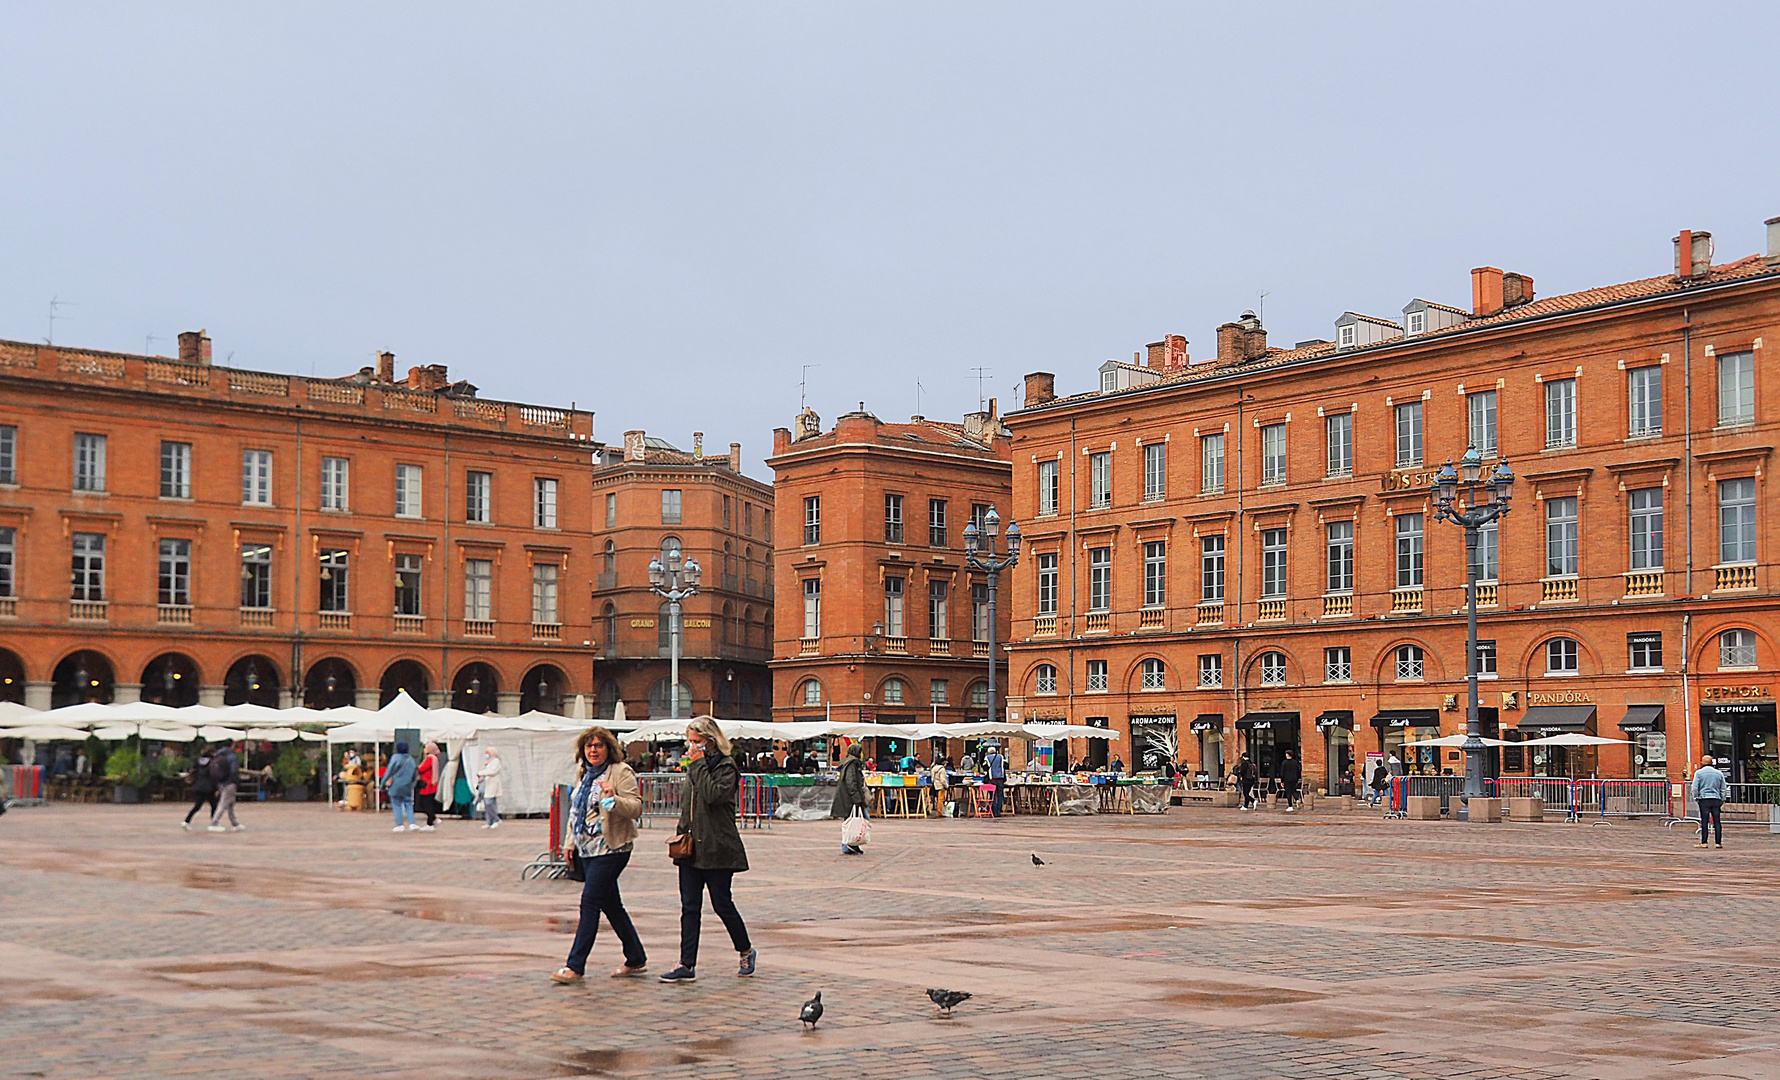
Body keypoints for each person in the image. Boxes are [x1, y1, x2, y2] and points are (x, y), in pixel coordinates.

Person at [661, 716, 754, 983]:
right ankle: (686, 963)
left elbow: (714, 795)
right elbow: (688, 805)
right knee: (689, 906)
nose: (691, 747)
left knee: (722, 903)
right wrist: (681, 832)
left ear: (711, 741)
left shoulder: (726, 767)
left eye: (697, 741)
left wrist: (698, 764)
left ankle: (745, 950)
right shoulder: (693, 768)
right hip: (690, 847)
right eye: (689, 741)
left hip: (718, 846)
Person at [552, 726, 648, 982]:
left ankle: (575, 965)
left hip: (612, 848)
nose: (593, 750)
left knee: (589, 903)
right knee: (612, 906)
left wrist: (613, 799)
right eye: (589, 746)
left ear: (609, 748)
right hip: (586, 849)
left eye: (598, 746)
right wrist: (569, 843)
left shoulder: (620, 772)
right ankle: (636, 956)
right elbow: (577, 813)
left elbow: (636, 807)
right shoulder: (583, 773)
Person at [831, 743, 868, 853]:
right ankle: (847, 846)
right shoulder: (851, 764)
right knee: (854, 822)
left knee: (854, 821)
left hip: (849, 797)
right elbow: (851, 782)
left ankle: (852, 845)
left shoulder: (849, 763)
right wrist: (856, 799)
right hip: (850, 798)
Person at [1691, 754, 1728, 849]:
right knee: (1717, 821)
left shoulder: (1699, 773)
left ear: (1702, 762)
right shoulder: (1718, 773)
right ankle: (1718, 842)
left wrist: (1696, 797)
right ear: (1712, 762)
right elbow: (1723, 787)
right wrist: (1722, 799)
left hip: (1704, 799)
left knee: (1704, 821)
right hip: (1716, 798)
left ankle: (1704, 842)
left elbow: (1695, 787)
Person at [381, 741, 418, 832]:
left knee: (396, 804)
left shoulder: (395, 758)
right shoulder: (411, 759)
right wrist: (412, 782)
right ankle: (412, 823)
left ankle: (399, 824)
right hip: (408, 785)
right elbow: (414, 773)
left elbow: (389, 771)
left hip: (396, 785)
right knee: (408, 804)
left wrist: (382, 783)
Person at [181, 745, 219, 831]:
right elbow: (213, 775)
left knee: (197, 806)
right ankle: (214, 823)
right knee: (214, 805)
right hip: (209, 786)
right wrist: (216, 788)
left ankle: (187, 821)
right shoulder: (212, 762)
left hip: (198, 786)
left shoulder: (198, 761)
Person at [208, 742, 243, 832]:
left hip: (220, 782)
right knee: (223, 803)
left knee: (230, 803)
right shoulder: (232, 756)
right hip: (229, 783)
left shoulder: (218, 755)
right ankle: (214, 823)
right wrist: (235, 781)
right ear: (232, 745)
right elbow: (234, 770)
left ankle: (234, 822)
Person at [414, 742, 442, 831]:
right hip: (431, 783)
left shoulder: (430, 758)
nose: (424, 750)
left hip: (427, 784)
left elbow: (421, 769)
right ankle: (433, 818)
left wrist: (417, 768)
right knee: (428, 802)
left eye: (426, 748)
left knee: (425, 803)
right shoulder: (435, 758)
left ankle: (431, 822)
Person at [476, 747, 503, 827]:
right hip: (487, 784)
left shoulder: (496, 761)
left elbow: (492, 771)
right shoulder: (488, 762)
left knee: (489, 803)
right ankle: (489, 822)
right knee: (487, 803)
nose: (486, 754)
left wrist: (481, 773)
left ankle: (496, 819)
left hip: (493, 784)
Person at [985, 743, 1007, 816]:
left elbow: (984, 767)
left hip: (992, 779)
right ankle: (999, 810)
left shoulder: (987, 757)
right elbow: (1006, 765)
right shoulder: (1001, 756)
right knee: (1000, 795)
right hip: (1000, 778)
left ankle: (994, 811)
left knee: (992, 795)